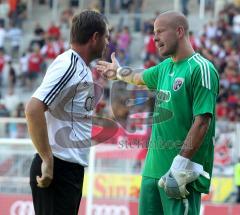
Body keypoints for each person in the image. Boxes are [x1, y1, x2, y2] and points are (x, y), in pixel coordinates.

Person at [97, 11, 219, 215]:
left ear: (179, 31)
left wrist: (179, 165)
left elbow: (202, 122)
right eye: (154, 32)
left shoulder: (201, 69)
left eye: (160, 31)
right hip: (151, 172)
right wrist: (118, 72)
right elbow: (138, 77)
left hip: (181, 174)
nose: (154, 38)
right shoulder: (165, 68)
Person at [25, 10, 109, 215]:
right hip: (58, 169)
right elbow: (33, 108)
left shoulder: (81, 68)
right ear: (95, 37)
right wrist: (47, 160)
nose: (107, 42)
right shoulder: (68, 65)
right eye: (106, 36)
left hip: (69, 170)